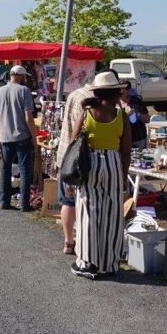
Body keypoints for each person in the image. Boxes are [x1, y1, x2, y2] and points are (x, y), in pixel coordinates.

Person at [70, 71, 131, 279]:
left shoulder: (87, 113)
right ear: (114, 93)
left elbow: (74, 141)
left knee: (89, 212)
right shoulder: (121, 116)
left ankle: (88, 262)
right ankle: (110, 263)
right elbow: (126, 150)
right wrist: (123, 176)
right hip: (113, 163)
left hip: (91, 165)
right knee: (113, 214)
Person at [56, 83, 93, 255]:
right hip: (78, 159)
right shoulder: (91, 101)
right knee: (81, 201)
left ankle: (68, 242)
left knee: (67, 201)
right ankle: (83, 242)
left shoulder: (74, 94)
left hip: (65, 154)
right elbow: (81, 133)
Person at [0, 65, 37, 211]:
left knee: (5, 169)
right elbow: (28, 117)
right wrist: (34, 138)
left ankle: (4, 201)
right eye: (24, 76)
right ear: (19, 75)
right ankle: (24, 204)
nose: (25, 79)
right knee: (24, 170)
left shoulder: (0, 91)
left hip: (5, 136)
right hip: (22, 136)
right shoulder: (24, 91)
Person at [120, 81, 149, 149]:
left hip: (137, 140)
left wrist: (137, 114)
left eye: (122, 92)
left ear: (128, 91)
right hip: (121, 140)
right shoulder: (115, 103)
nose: (119, 93)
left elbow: (147, 119)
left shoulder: (136, 101)